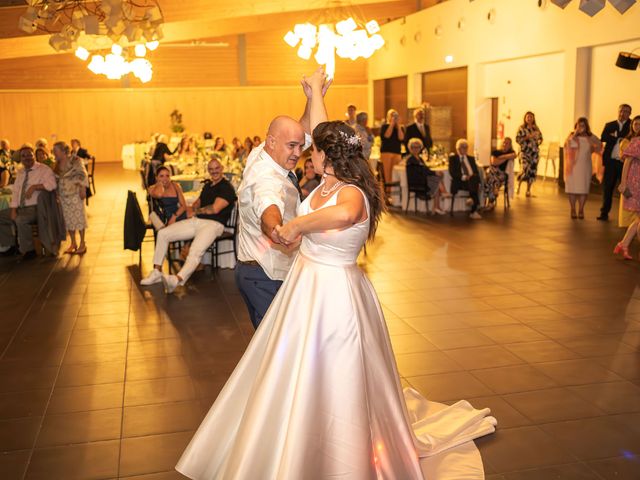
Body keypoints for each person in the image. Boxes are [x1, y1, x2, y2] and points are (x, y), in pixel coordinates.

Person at [176, 76, 497, 479]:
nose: (308, 152)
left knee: (335, 373)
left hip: (336, 296)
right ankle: (296, 437)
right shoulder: (325, 181)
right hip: (304, 289)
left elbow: (344, 215)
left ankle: (340, 453)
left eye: (314, 150)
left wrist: (299, 226)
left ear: (328, 159)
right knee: (295, 371)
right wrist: (314, 97)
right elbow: (316, 147)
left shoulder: (353, 192)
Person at [234, 67, 331, 329]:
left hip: (270, 270)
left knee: (280, 346)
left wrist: (313, 98)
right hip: (263, 275)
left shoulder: (261, 152)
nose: (299, 152)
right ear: (272, 142)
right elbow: (268, 206)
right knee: (274, 348)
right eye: (293, 147)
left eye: (301, 147)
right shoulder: (265, 177)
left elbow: (302, 129)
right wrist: (277, 231)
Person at [140, 158, 236, 293]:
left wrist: (194, 210)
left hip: (214, 225)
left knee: (195, 251)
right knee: (163, 233)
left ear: (222, 168)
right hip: (197, 221)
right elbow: (198, 201)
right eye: (211, 169)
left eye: (217, 168)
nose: (214, 171)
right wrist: (193, 207)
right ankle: (156, 271)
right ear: (208, 170)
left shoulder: (227, 188)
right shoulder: (208, 185)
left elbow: (215, 209)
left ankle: (177, 280)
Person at [0, 145, 57, 260]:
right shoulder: (20, 172)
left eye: (29, 155)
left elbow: (52, 185)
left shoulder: (43, 169)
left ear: (34, 156)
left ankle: (29, 250)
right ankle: (9, 246)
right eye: (23, 156)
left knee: (21, 220)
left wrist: (36, 186)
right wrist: (13, 209)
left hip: (37, 208)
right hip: (21, 207)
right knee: (1, 216)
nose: (27, 158)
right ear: (20, 158)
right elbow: (16, 192)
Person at [53, 141, 89, 254]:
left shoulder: (75, 160)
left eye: (55, 151)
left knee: (79, 218)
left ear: (63, 151)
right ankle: (73, 243)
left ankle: (83, 243)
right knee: (68, 220)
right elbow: (56, 180)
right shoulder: (56, 164)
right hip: (64, 195)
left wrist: (83, 189)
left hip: (75, 193)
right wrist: (57, 194)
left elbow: (83, 174)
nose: (54, 153)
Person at [598, 104, 632, 221]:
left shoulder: (632, 126)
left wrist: (614, 136)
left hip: (625, 164)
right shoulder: (610, 125)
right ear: (618, 111)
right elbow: (603, 137)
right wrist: (618, 138)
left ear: (630, 114)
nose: (623, 113)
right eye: (621, 110)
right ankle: (604, 213)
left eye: (626, 111)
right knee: (608, 188)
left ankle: (627, 216)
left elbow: (631, 139)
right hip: (611, 162)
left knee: (625, 188)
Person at [563, 118, 602, 219]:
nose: (581, 127)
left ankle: (581, 209)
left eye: (583, 125)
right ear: (576, 126)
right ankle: (572, 209)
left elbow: (599, 145)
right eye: (579, 125)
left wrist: (593, 148)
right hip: (572, 167)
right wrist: (575, 134)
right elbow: (566, 145)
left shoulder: (590, 136)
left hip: (585, 166)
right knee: (572, 189)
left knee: (583, 189)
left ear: (586, 126)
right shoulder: (571, 136)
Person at [614, 137, 640, 259]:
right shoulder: (636, 141)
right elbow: (627, 162)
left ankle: (624, 244)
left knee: (638, 220)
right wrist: (623, 183)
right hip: (636, 183)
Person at [405, 138, 446, 214]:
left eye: (418, 147)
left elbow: (425, 169)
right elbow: (420, 171)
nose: (415, 149)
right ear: (410, 148)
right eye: (413, 147)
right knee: (436, 179)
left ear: (420, 148)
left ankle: (436, 206)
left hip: (423, 179)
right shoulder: (410, 159)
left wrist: (435, 172)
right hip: (416, 182)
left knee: (438, 177)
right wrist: (434, 173)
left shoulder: (420, 158)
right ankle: (443, 193)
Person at [147, 166, 188, 230]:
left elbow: (183, 205)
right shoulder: (151, 188)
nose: (165, 178)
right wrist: (160, 184)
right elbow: (159, 194)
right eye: (161, 176)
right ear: (156, 177)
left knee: (195, 213)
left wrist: (174, 217)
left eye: (167, 176)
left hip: (177, 214)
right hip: (163, 218)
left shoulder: (175, 186)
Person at [449, 138, 482, 219]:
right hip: (460, 182)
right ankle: (473, 211)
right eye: (463, 147)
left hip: (471, 181)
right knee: (474, 184)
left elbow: (476, 172)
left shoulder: (471, 158)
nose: (465, 149)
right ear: (458, 149)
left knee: (474, 178)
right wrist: (464, 177)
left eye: (466, 147)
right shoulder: (453, 159)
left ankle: (471, 199)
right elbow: (452, 172)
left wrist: (470, 177)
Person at [516, 111, 543, 197]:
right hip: (525, 152)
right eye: (528, 117)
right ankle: (518, 185)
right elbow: (518, 139)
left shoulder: (536, 128)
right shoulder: (521, 128)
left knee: (532, 171)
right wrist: (528, 137)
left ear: (533, 118)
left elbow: (541, 138)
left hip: (534, 153)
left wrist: (538, 140)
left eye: (531, 117)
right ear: (525, 118)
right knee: (524, 169)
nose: (529, 118)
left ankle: (528, 190)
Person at [484, 137, 517, 210]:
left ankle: (485, 203)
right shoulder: (495, 152)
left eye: (507, 143)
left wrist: (501, 157)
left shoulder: (512, 152)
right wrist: (506, 158)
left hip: (502, 174)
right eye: (504, 142)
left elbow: (514, 155)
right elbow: (494, 162)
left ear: (510, 145)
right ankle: (491, 199)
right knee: (492, 174)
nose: (505, 144)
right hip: (493, 171)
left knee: (489, 178)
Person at [380, 109, 405, 189]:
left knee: (395, 173)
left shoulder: (400, 128)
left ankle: (394, 193)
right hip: (386, 153)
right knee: (387, 174)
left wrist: (398, 126)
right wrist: (392, 124)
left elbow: (401, 138)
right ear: (388, 117)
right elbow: (387, 136)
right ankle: (387, 192)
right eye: (392, 115)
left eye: (396, 116)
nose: (394, 117)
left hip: (397, 153)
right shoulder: (385, 126)